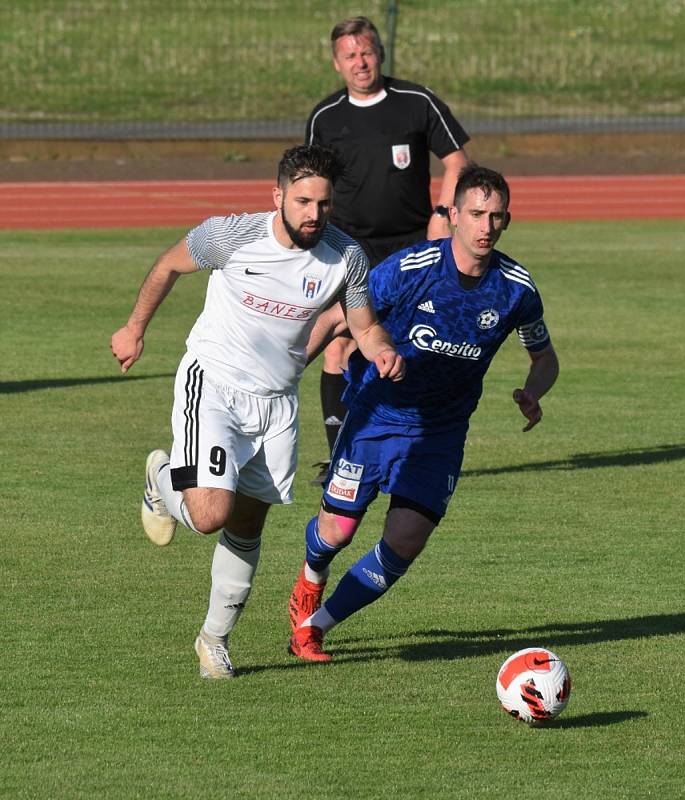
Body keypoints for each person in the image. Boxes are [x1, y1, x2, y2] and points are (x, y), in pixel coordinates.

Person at [109, 144, 405, 679]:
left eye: (323, 204)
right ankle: (161, 476)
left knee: (247, 527)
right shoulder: (230, 235)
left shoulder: (346, 257)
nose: (314, 214)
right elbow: (168, 265)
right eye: (303, 202)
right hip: (215, 384)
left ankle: (213, 641)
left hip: (277, 406)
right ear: (278, 197)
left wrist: (380, 346)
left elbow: (362, 324)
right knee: (209, 515)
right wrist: (134, 328)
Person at [286, 164, 560, 662]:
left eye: (496, 217)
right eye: (476, 213)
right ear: (454, 214)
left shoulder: (516, 289)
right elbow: (339, 316)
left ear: (507, 221)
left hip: (441, 434)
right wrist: (287, 372)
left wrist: (533, 391)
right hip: (377, 418)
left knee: (404, 544)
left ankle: (314, 627)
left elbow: (545, 356)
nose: (485, 226)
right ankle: (310, 579)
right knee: (336, 532)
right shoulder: (412, 269)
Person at [306, 15, 471, 483]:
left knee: (407, 349)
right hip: (349, 252)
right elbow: (313, 181)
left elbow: (457, 161)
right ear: (337, 63)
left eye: (366, 52)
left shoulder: (415, 102)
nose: (360, 62)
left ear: (379, 53)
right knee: (338, 344)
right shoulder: (325, 117)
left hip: (410, 251)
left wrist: (442, 216)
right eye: (349, 56)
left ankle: (414, 449)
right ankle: (340, 457)